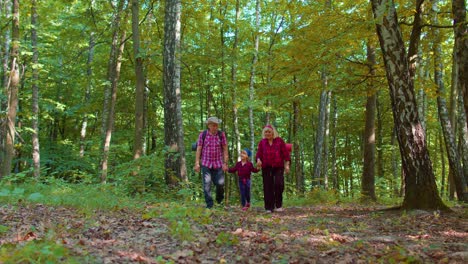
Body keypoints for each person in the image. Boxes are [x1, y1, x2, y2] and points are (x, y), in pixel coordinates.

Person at [194, 116, 229, 208]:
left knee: (220, 183)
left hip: (218, 163)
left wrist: (225, 163)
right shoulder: (203, 135)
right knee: (207, 184)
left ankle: (219, 201)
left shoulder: (221, 135)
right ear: (208, 125)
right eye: (213, 125)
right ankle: (209, 205)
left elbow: (225, 149)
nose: (215, 127)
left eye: (216, 125)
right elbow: (199, 149)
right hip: (206, 163)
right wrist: (197, 163)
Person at [255, 124, 290, 213]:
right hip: (266, 167)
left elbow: (286, 154)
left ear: (273, 132)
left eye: (269, 132)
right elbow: (258, 154)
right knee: (267, 186)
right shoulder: (262, 142)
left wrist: (287, 165)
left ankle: (278, 205)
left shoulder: (279, 141)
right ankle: (269, 207)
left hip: (278, 166)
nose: (267, 133)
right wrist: (258, 160)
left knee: (279, 184)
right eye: (266, 132)